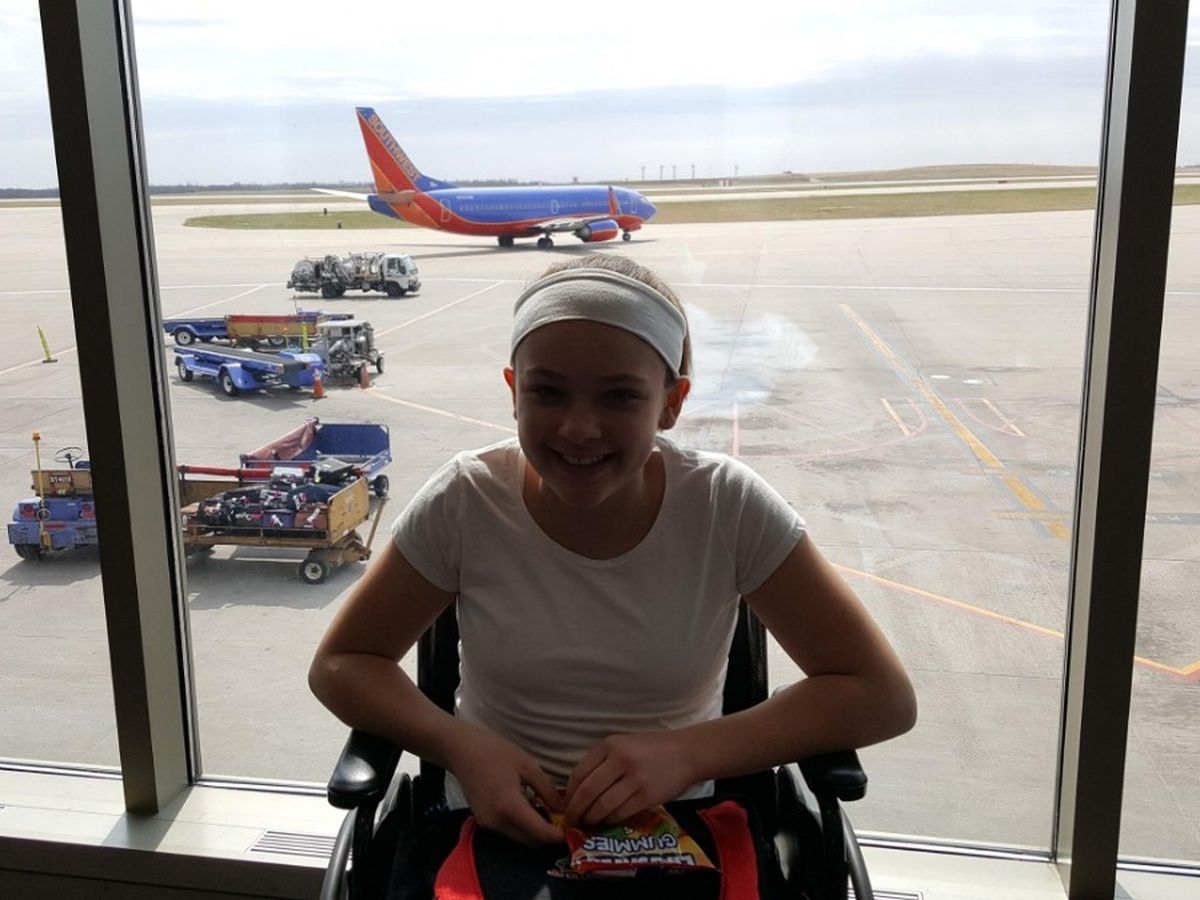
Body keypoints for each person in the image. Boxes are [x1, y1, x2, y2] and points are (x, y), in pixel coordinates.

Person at [309, 254, 917, 851]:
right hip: (490, 830)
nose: (578, 428)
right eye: (548, 392)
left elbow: (881, 695)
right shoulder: (468, 499)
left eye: (620, 396)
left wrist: (689, 754)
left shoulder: (725, 505)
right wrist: (460, 746)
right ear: (514, 392)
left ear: (672, 403)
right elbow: (342, 663)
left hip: (677, 835)